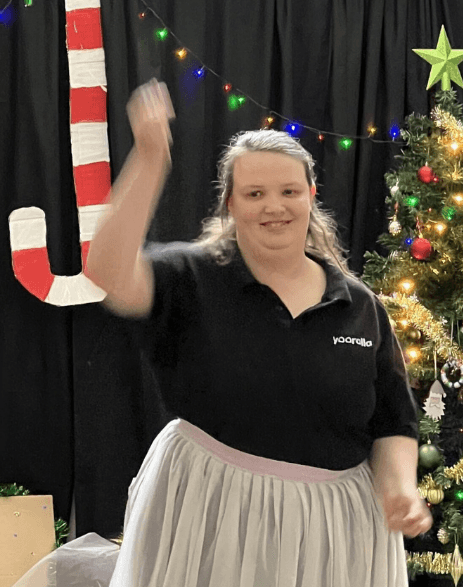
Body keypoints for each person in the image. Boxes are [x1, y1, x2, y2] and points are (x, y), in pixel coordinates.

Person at [85, 79, 433, 587]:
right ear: (230, 203)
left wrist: (400, 488)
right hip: (210, 514)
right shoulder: (191, 277)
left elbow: (392, 419)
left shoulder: (358, 305)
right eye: (255, 193)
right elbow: (110, 275)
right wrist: (150, 159)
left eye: (289, 191)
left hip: (335, 532)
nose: (275, 206)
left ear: (311, 197)